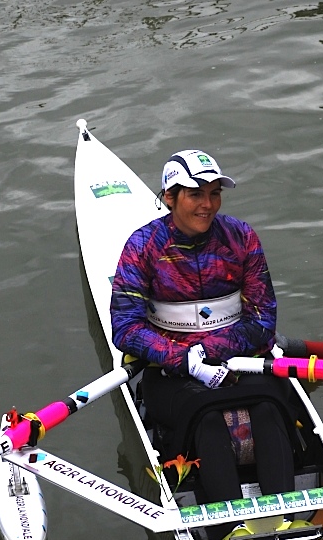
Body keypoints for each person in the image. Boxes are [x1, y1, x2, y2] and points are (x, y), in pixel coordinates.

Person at [110, 148, 296, 504]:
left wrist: (208, 353)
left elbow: (262, 321)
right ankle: (228, 529)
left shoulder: (241, 237)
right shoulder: (142, 247)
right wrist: (184, 360)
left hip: (239, 363)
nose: (208, 205)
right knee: (209, 418)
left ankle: (284, 514)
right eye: (196, 194)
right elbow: (125, 329)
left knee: (269, 409)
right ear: (169, 197)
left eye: (215, 193)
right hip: (170, 373)